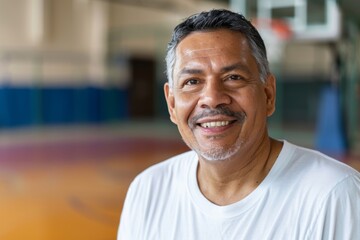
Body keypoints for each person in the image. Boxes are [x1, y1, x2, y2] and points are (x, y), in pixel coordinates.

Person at [117, 9, 360, 239]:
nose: (212, 97)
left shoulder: (334, 195)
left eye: (233, 77)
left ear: (268, 95)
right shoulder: (147, 191)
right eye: (192, 81)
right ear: (172, 104)